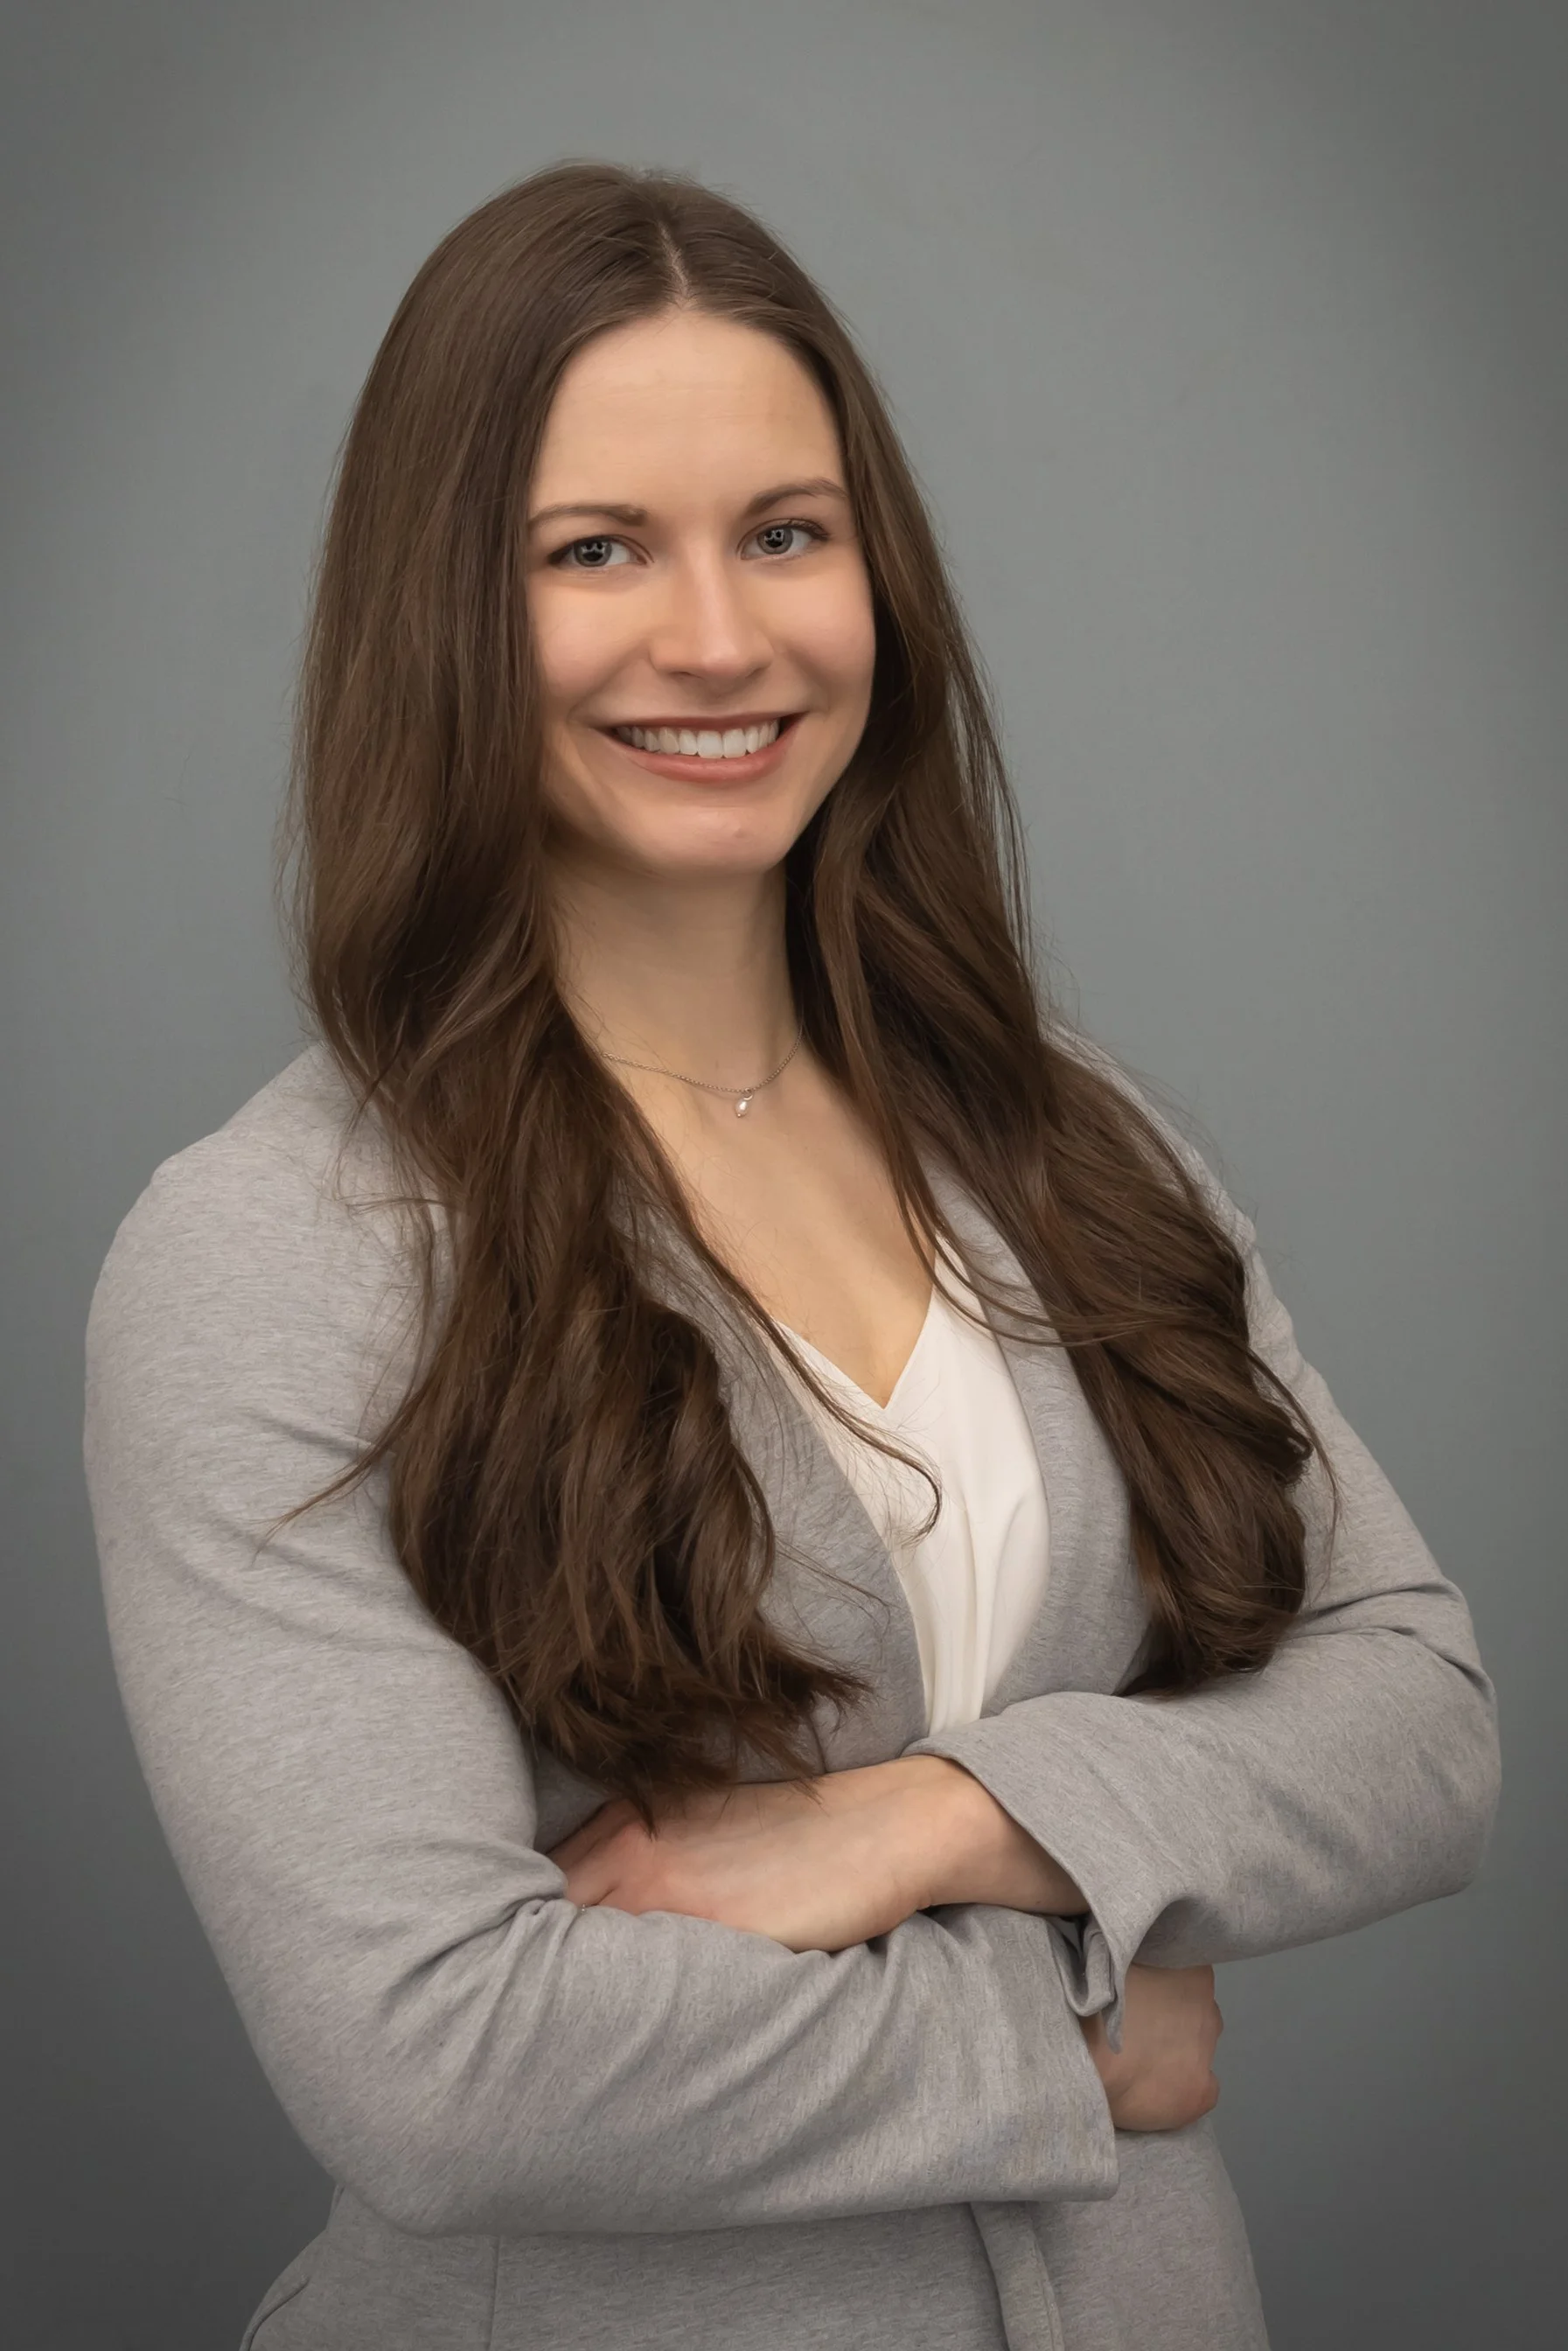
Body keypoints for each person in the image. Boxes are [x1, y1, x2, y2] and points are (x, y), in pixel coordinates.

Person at [81, 162, 1500, 2351]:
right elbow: (439, 2065)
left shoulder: (1063, 1143)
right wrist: (1069, 2038)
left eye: (782, 532)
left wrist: (940, 1817)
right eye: (593, 553)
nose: (721, 639)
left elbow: (1415, 1715)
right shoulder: (276, 1256)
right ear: (439, 612)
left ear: (875, 577)